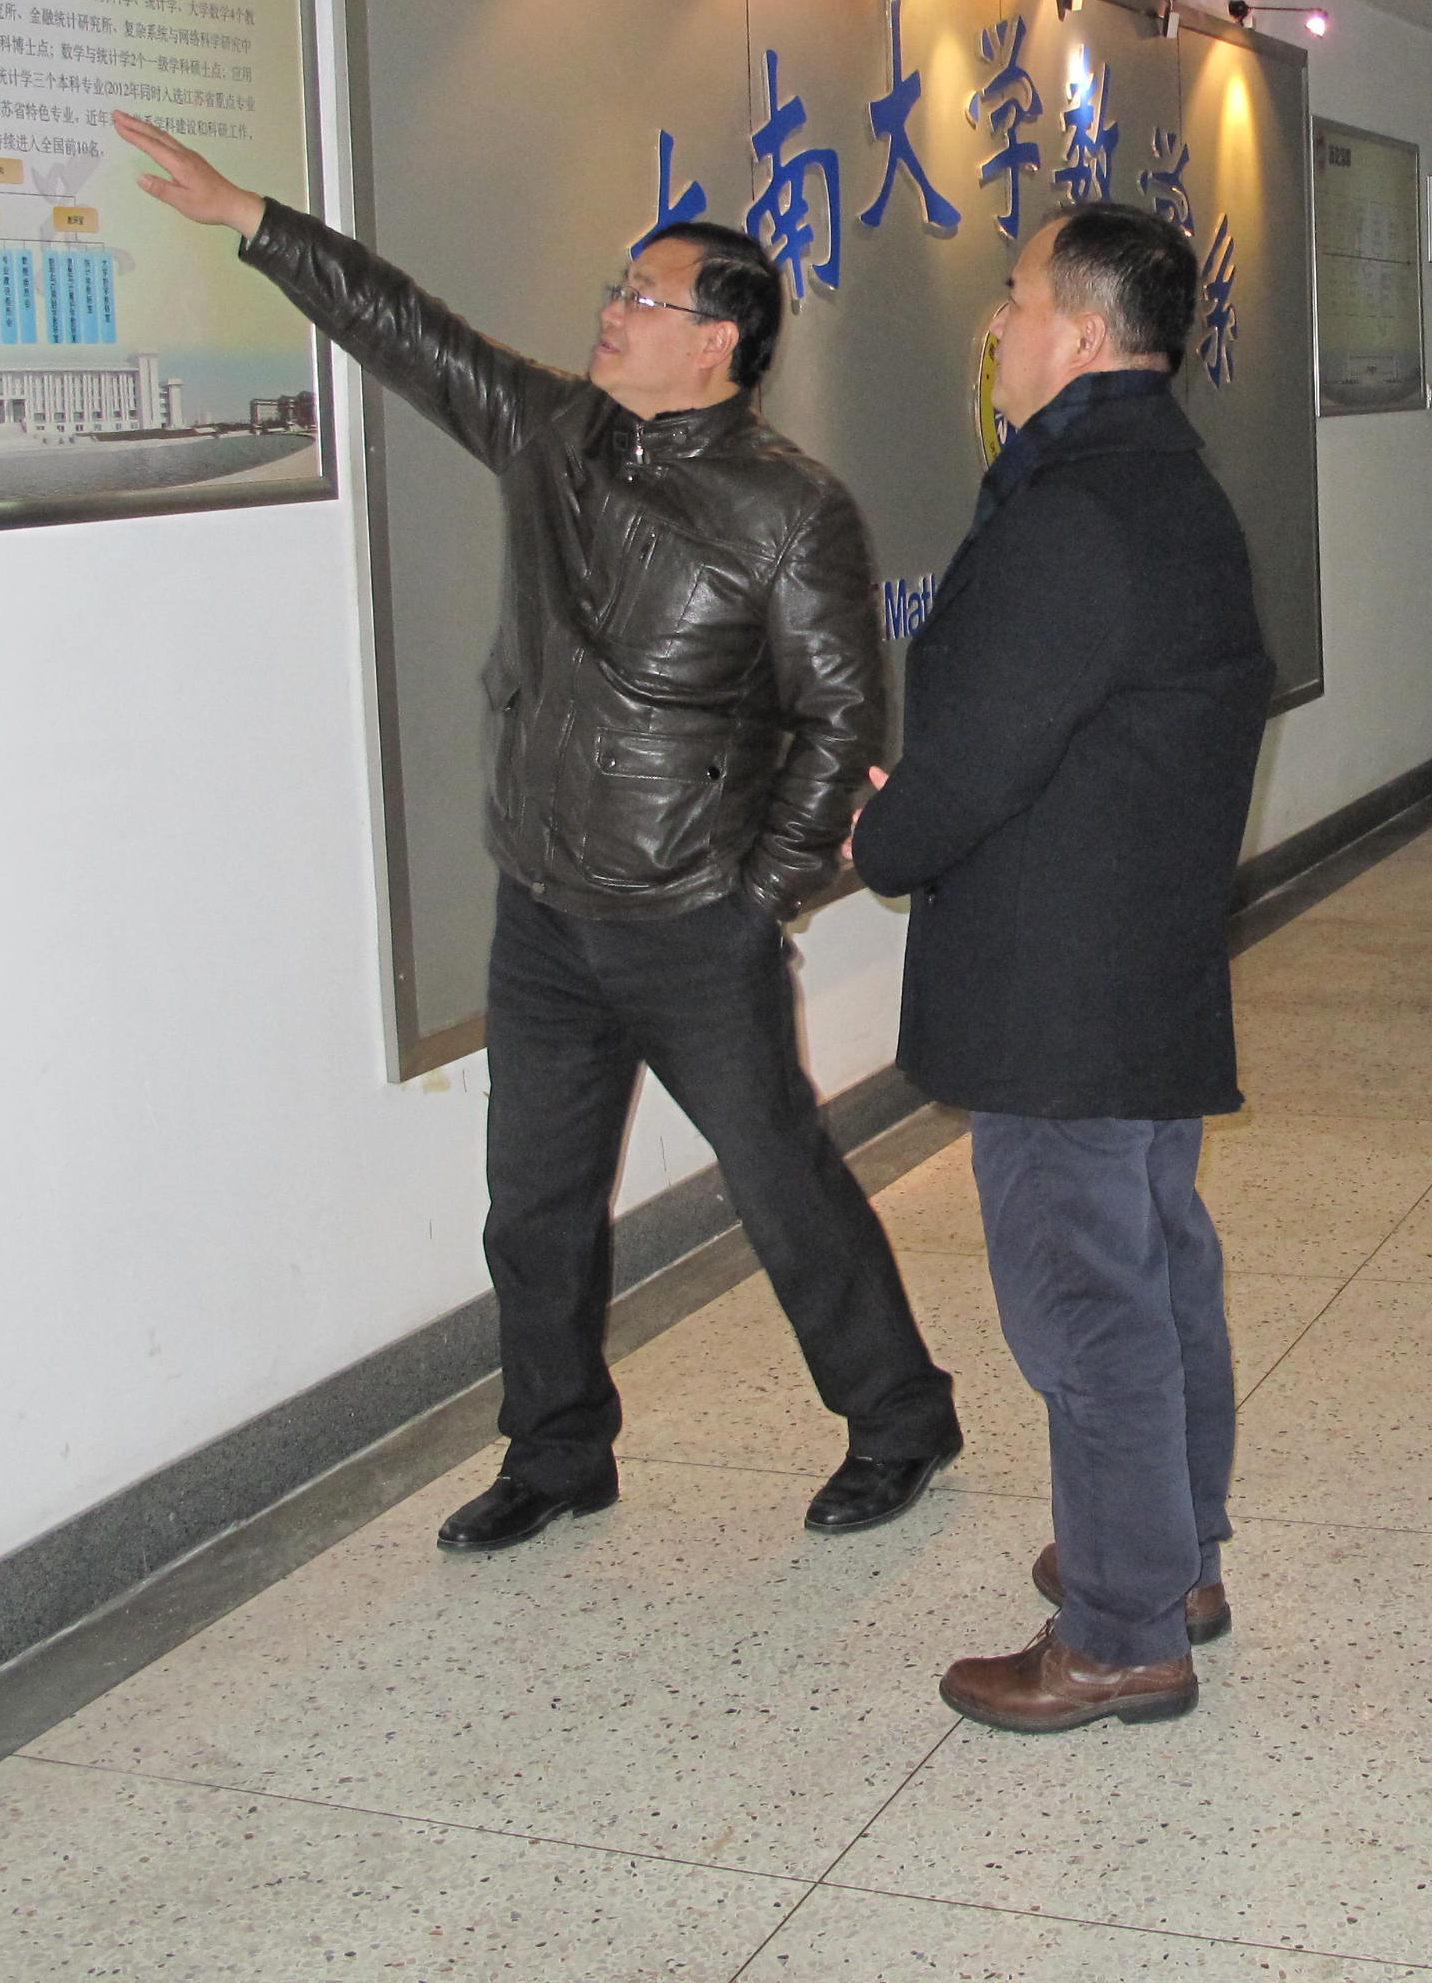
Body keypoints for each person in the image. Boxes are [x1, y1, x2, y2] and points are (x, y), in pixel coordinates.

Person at [112, 112, 959, 1553]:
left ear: (719, 342)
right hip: (546, 912)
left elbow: (840, 724)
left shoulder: (790, 510)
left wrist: (758, 896)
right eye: (617, 290)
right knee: (534, 1207)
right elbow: (411, 333)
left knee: (782, 1189)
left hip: (692, 922)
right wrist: (254, 219)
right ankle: (557, 1451)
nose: (611, 312)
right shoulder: (553, 433)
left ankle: (899, 1420)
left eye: (643, 298)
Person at [850, 203, 1269, 1734]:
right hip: (1136, 959)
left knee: (1085, 1299)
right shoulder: (1170, 490)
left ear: (1082, 333)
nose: (997, 321)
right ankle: (1173, 1559)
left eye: (1016, 295)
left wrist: (886, 835)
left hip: (1057, 987)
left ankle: (1120, 1631)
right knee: (1157, 1267)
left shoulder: (1074, 513)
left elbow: (980, 755)